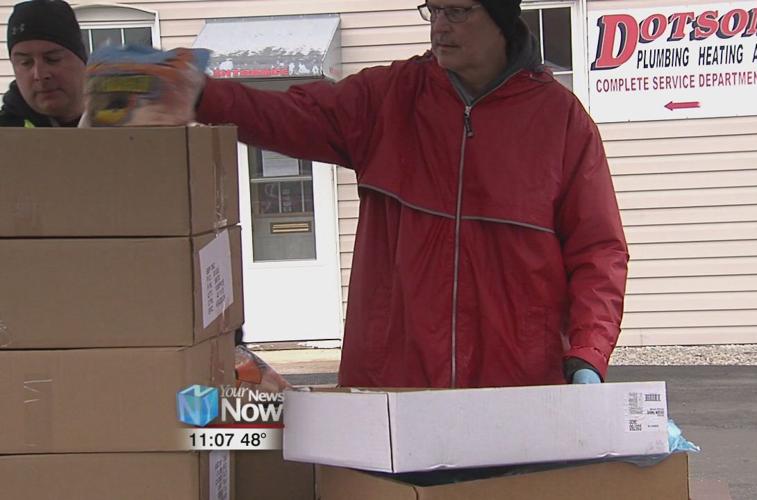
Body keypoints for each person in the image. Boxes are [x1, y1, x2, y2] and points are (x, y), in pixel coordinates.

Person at [196, 0, 628, 388]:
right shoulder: (389, 99)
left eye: (456, 12)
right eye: (433, 10)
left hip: (516, 386)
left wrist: (588, 354)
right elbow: (288, 114)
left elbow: (599, 251)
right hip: (393, 381)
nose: (439, 27)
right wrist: (201, 95)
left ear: (500, 16)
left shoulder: (560, 121)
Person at [0, 0, 87, 127]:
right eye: (25, 63)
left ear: (83, 61)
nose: (40, 74)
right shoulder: (5, 133)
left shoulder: (122, 126)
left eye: (52, 59)